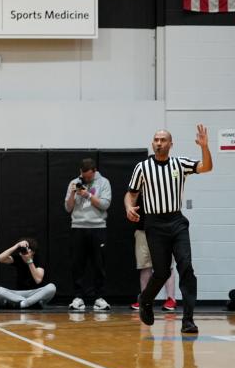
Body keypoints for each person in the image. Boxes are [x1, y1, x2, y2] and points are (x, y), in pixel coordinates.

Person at [126, 125, 214, 334]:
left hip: (177, 222)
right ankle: (146, 300)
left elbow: (207, 167)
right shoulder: (142, 168)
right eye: (156, 139)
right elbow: (131, 193)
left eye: (163, 140)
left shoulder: (179, 164)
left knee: (186, 267)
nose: (159, 143)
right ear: (152, 143)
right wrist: (129, 206)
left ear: (170, 144)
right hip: (154, 224)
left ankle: (188, 320)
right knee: (162, 272)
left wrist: (204, 147)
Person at [63, 158, 111, 312]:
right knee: (77, 264)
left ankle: (99, 298)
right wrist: (72, 194)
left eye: (89, 177)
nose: (86, 179)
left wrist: (87, 195)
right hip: (78, 227)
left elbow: (105, 205)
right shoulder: (74, 182)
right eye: (84, 176)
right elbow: (68, 208)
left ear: (94, 171)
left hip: (98, 227)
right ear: (80, 172)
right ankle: (78, 297)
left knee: (99, 264)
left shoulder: (104, 183)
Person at [131, 200, 177, 312]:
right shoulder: (138, 186)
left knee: (167, 265)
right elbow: (130, 199)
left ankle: (171, 299)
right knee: (145, 265)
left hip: (163, 229)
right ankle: (144, 299)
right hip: (143, 229)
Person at [0, 238, 57, 309]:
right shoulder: (18, 258)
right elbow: (0, 258)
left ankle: (22, 304)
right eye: (21, 252)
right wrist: (17, 245)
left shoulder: (39, 259)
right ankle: (29, 303)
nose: (23, 254)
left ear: (33, 252)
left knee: (52, 287)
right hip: (19, 294)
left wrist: (29, 260)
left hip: (36, 293)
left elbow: (38, 279)